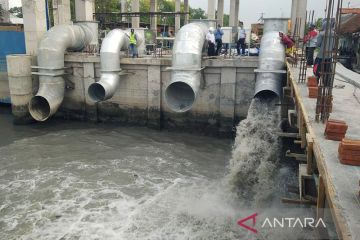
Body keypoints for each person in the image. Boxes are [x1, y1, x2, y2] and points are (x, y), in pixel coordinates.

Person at [313, 19, 335, 86]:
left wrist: (316, 44)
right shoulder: (334, 34)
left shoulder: (321, 34)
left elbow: (318, 44)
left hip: (321, 55)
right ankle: (327, 83)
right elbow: (334, 45)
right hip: (329, 55)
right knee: (328, 71)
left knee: (317, 70)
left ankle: (316, 82)